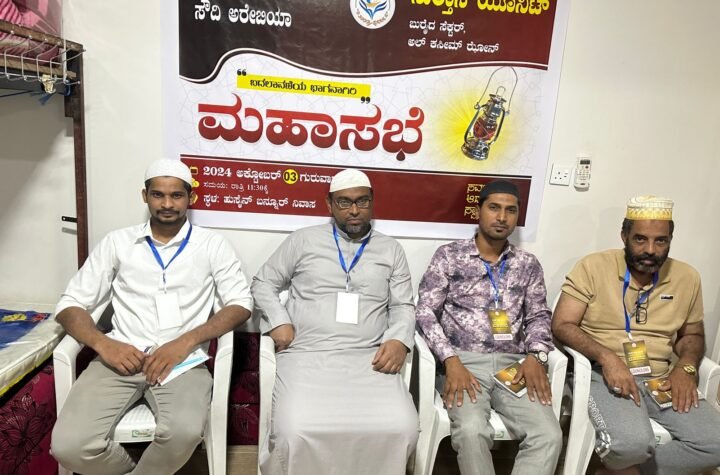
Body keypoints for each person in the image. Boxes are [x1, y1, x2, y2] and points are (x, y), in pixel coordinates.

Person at [51, 159, 253, 475]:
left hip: (181, 363)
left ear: (191, 198)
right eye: (158, 195)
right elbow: (70, 305)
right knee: (69, 447)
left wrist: (185, 342)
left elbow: (240, 304)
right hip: (119, 358)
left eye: (176, 195)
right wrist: (104, 344)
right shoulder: (117, 242)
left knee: (183, 433)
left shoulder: (212, 245)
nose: (167, 204)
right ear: (145, 196)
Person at [251, 168, 419, 475]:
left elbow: (403, 305)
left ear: (372, 202)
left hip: (369, 359)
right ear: (329, 204)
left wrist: (399, 339)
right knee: (295, 430)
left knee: (401, 427)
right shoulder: (303, 241)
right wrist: (278, 320)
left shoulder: (390, 249)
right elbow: (263, 283)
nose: (354, 210)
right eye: (344, 202)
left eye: (362, 201)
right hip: (307, 356)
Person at [552, 195, 720, 475]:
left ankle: (624, 472)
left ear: (670, 240)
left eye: (661, 241)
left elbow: (692, 334)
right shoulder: (593, 266)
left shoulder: (687, 276)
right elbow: (562, 324)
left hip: (661, 378)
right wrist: (607, 358)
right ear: (624, 236)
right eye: (640, 239)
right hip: (603, 374)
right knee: (631, 445)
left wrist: (686, 367)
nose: (650, 250)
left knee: (715, 443)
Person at [416, 180, 562, 475]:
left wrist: (537, 356)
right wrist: (450, 360)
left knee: (549, 435)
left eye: (510, 210)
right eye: (494, 208)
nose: (502, 217)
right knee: (472, 431)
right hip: (463, 363)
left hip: (515, 367)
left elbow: (538, 315)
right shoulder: (450, 255)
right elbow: (425, 311)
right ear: (478, 211)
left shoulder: (527, 264)